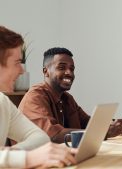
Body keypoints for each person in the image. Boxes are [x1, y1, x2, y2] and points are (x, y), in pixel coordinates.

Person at [0, 25, 77, 168]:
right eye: (17, 62)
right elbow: (50, 136)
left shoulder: (3, 102)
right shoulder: (35, 95)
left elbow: (41, 138)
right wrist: (26, 158)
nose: (22, 70)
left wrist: (10, 154)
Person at [19, 47, 122, 143]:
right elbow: (54, 135)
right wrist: (103, 132)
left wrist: (116, 126)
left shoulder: (67, 98)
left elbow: (88, 123)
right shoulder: (35, 97)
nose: (69, 73)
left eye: (72, 69)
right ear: (45, 71)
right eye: (62, 67)